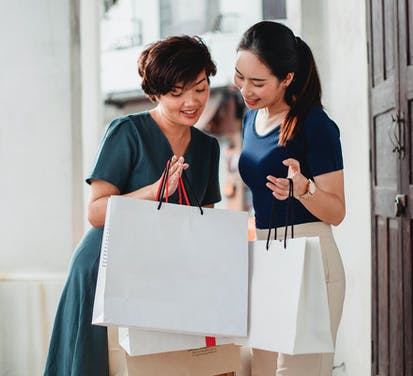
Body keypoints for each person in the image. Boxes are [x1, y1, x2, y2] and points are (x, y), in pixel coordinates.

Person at [44, 35, 221, 376]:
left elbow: (203, 224)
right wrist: (154, 191)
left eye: (200, 88)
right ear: (156, 93)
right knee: (99, 364)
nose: (192, 101)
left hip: (161, 274)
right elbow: (95, 213)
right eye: (177, 92)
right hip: (105, 270)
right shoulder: (127, 131)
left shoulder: (207, 148)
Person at [235, 21, 346, 375]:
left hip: (309, 256)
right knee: (263, 370)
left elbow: (337, 211)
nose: (245, 91)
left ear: (287, 79)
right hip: (266, 255)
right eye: (240, 77)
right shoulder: (251, 119)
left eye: (258, 83)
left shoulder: (316, 124)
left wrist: (304, 189)